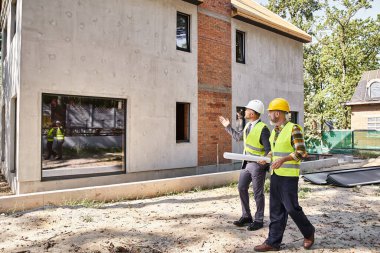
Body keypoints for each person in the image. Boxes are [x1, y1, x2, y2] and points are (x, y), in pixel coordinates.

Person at [254, 98, 315, 252]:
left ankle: (309, 232)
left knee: (292, 208)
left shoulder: (294, 128)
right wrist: (267, 158)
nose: (268, 115)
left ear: (277, 113)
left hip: (288, 177)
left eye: (270, 112)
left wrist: (283, 160)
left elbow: (301, 152)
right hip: (275, 175)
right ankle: (273, 243)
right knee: (275, 210)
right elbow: (274, 152)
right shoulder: (274, 131)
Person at [219, 100, 271, 231]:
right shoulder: (248, 126)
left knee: (258, 193)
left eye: (247, 110)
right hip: (246, 163)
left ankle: (259, 220)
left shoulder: (263, 129)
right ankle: (246, 216)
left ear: (252, 113)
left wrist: (265, 159)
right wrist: (228, 126)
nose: (245, 111)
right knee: (241, 187)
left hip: (258, 165)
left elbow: (268, 149)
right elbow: (237, 137)